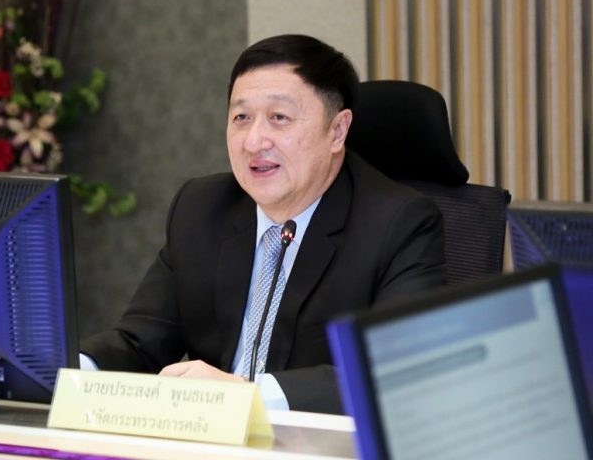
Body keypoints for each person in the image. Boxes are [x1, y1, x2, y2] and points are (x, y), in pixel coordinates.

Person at [80, 34, 446, 414]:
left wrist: (246, 395)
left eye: (279, 118)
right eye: (241, 118)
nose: (254, 142)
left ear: (337, 131)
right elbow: (139, 342)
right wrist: (69, 371)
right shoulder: (201, 209)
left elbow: (392, 371)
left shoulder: (398, 224)